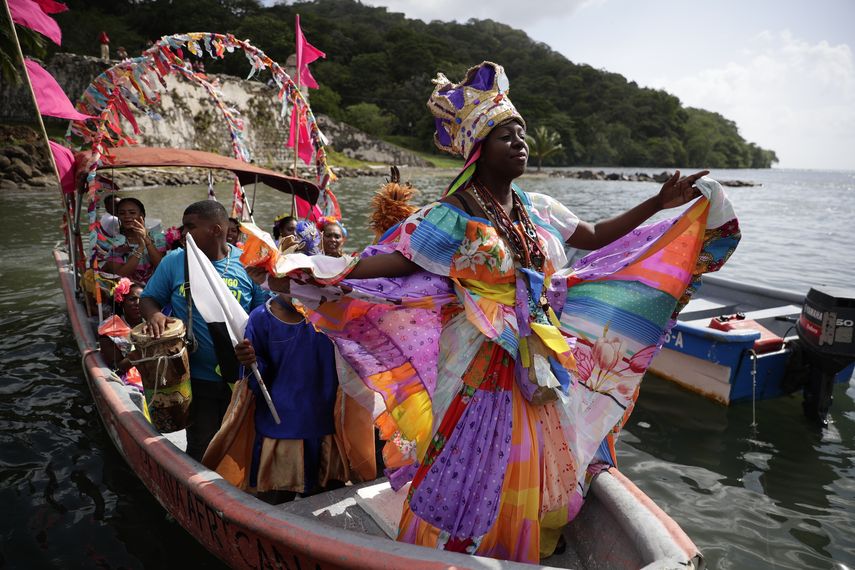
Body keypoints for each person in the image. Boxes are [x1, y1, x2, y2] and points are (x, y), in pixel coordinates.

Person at [254, 62, 740, 562]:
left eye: (523, 134)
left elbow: (593, 237)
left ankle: (511, 545)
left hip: (538, 352)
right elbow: (396, 263)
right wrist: (318, 270)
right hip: (479, 359)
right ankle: (456, 548)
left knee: (527, 456)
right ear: (479, 148)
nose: (521, 142)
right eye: (508, 136)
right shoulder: (451, 215)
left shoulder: (538, 208)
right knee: (477, 457)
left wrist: (659, 203)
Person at [141, 200, 269, 460]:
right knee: (202, 444)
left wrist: (254, 346)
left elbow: (261, 316)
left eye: (191, 227)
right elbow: (148, 298)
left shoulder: (247, 263)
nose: (183, 234)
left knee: (243, 441)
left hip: (242, 375)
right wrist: (154, 314)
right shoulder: (175, 262)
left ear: (216, 229)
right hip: (197, 377)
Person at [95, 197, 166, 284]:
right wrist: (140, 247)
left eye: (132, 213)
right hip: (131, 293)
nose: (127, 216)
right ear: (118, 217)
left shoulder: (157, 237)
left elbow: (162, 267)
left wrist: (146, 240)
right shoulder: (116, 243)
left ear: (142, 216)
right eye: (122, 213)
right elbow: (120, 276)